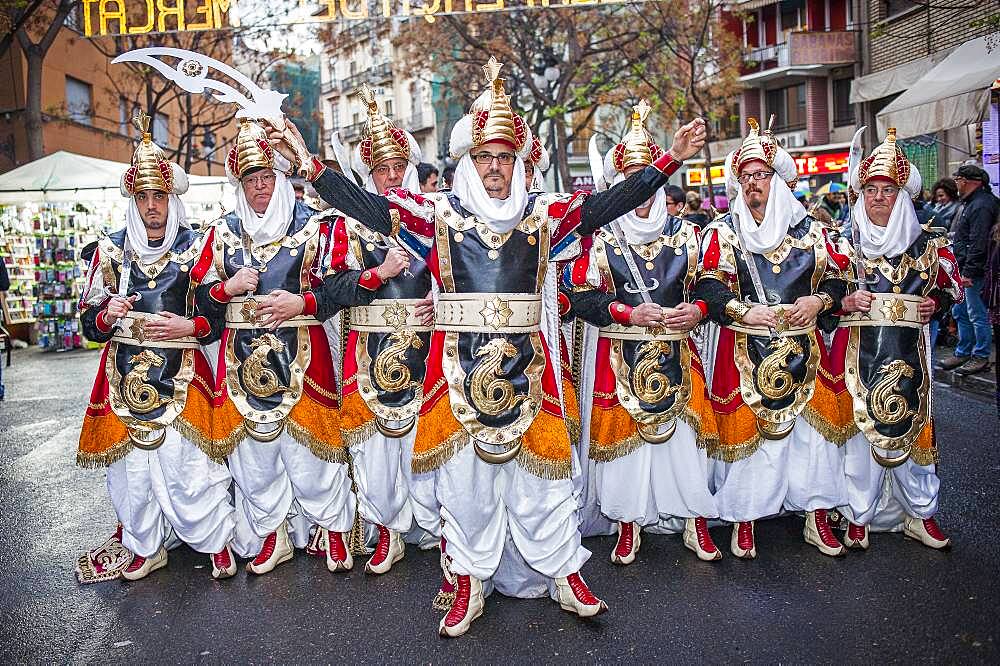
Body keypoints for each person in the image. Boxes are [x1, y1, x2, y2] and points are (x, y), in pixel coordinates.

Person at [272, 56, 707, 637]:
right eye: (485, 157)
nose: (496, 168)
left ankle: (564, 574)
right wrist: (308, 164)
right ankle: (469, 582)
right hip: (457, 374)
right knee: (465, 488)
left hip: (532, 375)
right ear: (469, 161)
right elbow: (368, 206)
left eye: (504, 157)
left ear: (515, 161)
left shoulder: (544, 214)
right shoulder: (437, 216)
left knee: (544, 486)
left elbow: (610, 203)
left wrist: (669, 160)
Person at [74, 112, 237, 583]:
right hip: (124, 379)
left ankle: (214, 540)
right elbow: (90, 322)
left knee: (189, 467)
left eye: (158, 197)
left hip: (183, 375)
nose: (151, 206)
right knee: (132, 476)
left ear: (171, 199)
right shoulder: (109, 250)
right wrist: (107, 315)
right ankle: (144, 545)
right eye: (143, 197)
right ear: (133, 200)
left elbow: (214, 316)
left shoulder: (198, 247)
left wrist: (188, 324)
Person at [196, 118, 357, 576]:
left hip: (305, 352)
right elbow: (201, 304)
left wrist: (303, 301)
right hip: (241, 362)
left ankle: (335, 529)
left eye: (268, 178)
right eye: (252, 180)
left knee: (312, 453)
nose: (261, 188)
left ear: (282, 179)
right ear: (240, 184)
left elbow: (342, 288)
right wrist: (226, 289)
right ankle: (274, 533)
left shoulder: (316, 226)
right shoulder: (221, 232)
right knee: (255, 457)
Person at [564, 101, 721, 564]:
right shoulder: (601, 241)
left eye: (649, 180)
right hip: (619, 356)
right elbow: (579, 298)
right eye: (635, 179)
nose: (644, 192)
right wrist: (625, 314)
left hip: (677, 354)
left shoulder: (689, 233)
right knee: (623, 450)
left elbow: (713, 285)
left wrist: (697, 309)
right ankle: (627, 524)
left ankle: (695, 521)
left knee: (686, 443)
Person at [693, 118, 851, 559]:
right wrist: (745, 310)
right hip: (745, 349)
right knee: (750, 442)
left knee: (811, 441)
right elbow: (708, 285)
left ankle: (817, 517)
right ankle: (744, 518)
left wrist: (819, 303)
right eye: (744, 178)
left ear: (779, 180)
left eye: (760, 176)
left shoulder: (812, 232)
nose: (751, 185)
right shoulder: (724, 231)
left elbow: (838, 280)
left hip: (806, 351)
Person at [326, 85, 439, 574]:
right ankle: (388, 531)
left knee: (426, 440)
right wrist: (378, 276)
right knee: (376, 450)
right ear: (368, 174)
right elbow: (334, 289)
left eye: (398, 168)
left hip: (427, 345)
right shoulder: (346, 225)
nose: (391, 178)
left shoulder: (436, 217)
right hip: (369, 349)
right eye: (381, 170)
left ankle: (437, 527)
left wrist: (442, 294)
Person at [832, 128, 963, 549]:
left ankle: (920, 514)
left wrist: (936, 305)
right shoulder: (842, 243)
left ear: (902, 193)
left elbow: (952, 286)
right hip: (858, 356)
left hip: (911, 357)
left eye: (887, 189)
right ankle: (858, 515)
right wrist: (842, 301)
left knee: (912, 430)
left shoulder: (926, 243)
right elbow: (821, 291)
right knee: (859, 436)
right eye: (870, 189)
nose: (878, 197)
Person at [939, 165, 998, 375]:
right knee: (961, 311)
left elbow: (978, 242)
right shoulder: (974, 203)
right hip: (966, 268)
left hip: (975, 271)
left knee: (976, 314)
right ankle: (964, 351)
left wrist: (969, 272)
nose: (957, 183)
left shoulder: (981, 205)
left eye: (959, 179)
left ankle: (980, 356)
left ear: (971, 181)